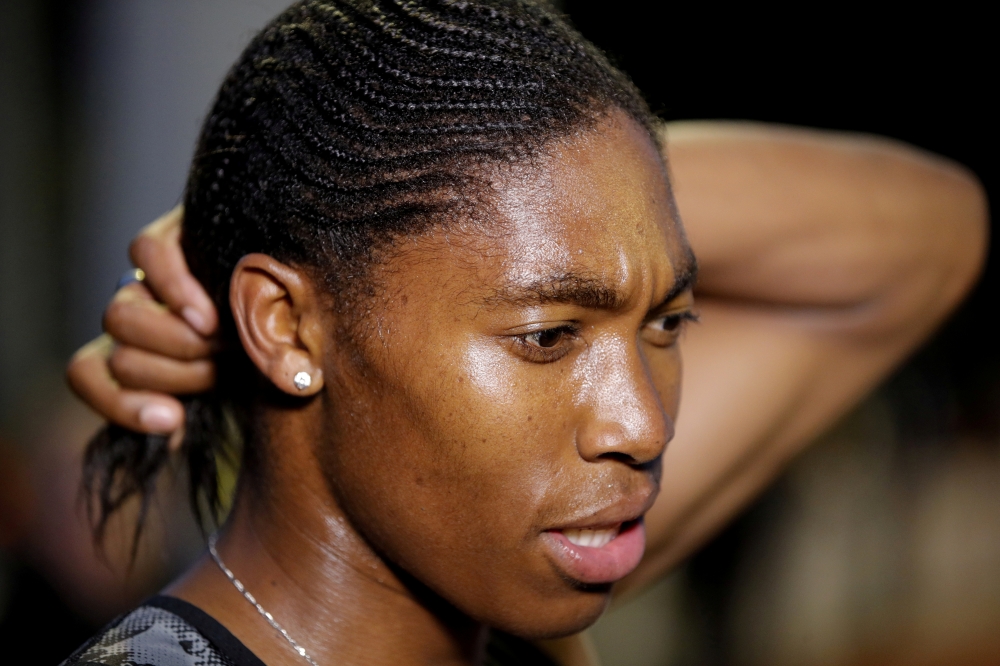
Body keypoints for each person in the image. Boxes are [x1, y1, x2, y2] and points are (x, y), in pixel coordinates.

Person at [64, 1, 988, 664]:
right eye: (549, 336)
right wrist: (329, 221)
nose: (643, 426)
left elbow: (935, 234)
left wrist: (303, 214)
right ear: (287, 328)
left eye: (667, 321)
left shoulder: (495, 597)